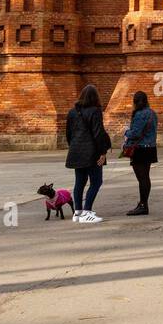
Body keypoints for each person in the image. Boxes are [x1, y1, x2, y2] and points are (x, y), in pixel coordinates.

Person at [64, 84, 112, 224]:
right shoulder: (95, 111)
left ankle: (77, 212)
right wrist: (103, 152)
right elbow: (98, 133)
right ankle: (87, 212)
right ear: (95, 97)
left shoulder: (72, 112)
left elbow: (68, 134)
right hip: (92, 152)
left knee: (79, 182)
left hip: (76, 151)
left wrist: (74, 146)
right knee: (96, 181)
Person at [123, 90, 158, 216]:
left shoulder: (139, 114)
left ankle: (143, 205)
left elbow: (135, 133)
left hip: (140, 149)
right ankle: (143, 203)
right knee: (145, 177)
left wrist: (126, 132)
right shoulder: (152, 113)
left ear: (135, 102)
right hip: (150, 147)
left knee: (141, 178)